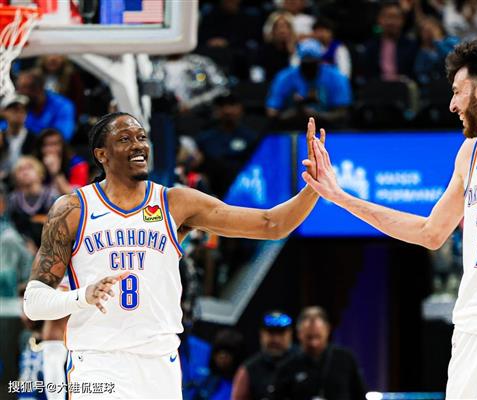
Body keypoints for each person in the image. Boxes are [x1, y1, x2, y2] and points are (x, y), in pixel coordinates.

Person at [302, 37, 477, 399]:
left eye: (457, 91)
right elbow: (430, 232)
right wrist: (340, 197)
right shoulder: (470, 153)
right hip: (468, 331)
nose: (452, 104)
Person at [22, 113, 324, 398]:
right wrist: (82, 296)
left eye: (142, 137)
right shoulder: (73, 209)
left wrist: (312, 188)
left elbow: (271, 224)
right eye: (125, 139)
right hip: (98, 362)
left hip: (159, 363)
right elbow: (34, 303)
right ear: (102, 154)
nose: (138, 145)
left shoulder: (175, 203)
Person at [271, 306, 366, 400]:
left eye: (317, 336)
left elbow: (360, 395)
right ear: (299, 333)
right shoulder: (287, 366)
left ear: (327, 330)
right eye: (309, 337)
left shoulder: (346, 359)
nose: (313, 343)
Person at [266, 39, 351, 129]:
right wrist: (296, 112)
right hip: (291, 128)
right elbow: (271, 111)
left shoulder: (336, 77)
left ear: (320, 61)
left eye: (313, 63)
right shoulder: (284, 77)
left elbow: (343, 112)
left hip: (329, 129)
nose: (309, 68)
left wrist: (318, 115)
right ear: (300, 61)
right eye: (306, 63)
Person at [232, 311, 295, 400]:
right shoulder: (248, 370)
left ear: (290, 334)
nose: (276, 339)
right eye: (271, 333)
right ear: (261, 334)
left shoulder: (304, 363)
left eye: (281, 333)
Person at [13, 69, 76, 141]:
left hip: (49, 146)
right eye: (18, 88)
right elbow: (5, 128)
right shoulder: (18, 104)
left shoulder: (63, 105)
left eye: (23, 88)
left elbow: (63, 136)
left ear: (38, 88)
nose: (18, 92)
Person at [34, 128, 90, 195]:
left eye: (54, 144)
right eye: (45, 145)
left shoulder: (78, 164)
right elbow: (31, 192)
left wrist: (56, 172)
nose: (50, 149)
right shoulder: (34, 164)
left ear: (62, 146)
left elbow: (75, 195)